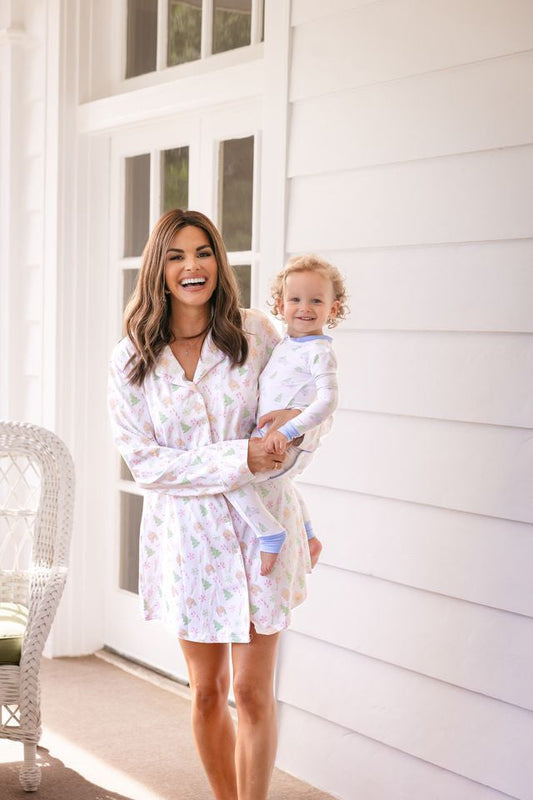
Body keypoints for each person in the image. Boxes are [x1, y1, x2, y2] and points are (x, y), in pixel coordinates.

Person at [107, 209, 330, 800]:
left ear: (218, 261)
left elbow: (305, 412)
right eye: (177, 255)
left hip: (263, 535)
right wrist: (239, 457)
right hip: (190, 539)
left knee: (253, 693)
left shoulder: (256, 333)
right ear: (158, 269)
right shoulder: (131, 358)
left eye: (203, 252)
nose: (193, 266)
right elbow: (146, 464)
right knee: (207, 692)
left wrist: (288, 441)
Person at [224, 254, 348, 576]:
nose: (305, 308)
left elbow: (328, 400)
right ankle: (308, 536)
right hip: (273, 436)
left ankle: (269, 533)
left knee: (231, 476)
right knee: (282, 484)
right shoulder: (287, 343)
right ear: (280, 305)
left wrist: (289, 430)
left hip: (286, 441)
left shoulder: (318, 351)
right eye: (295, 299)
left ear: (333, 309)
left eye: (316, 300)